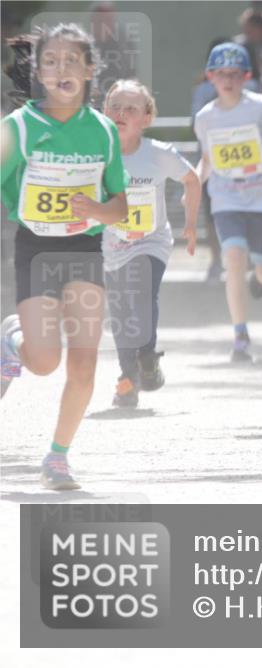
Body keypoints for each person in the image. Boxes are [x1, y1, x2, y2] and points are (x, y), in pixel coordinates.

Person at [1, 23, 130, 490]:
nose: (61, 70)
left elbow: (121, 205)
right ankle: (11, 342)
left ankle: (58, 457)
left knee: (83, 363)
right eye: (51, 62)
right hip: (35, 248)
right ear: (38, 72)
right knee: (43, 362)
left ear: (90, 70)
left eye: (72, 61)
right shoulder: (17, 128)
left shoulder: (102, 131)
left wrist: (97, 209)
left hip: (83, 249)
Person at [102, 79, 201, 408]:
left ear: (146, 118)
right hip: (111, 245)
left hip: (151, 241)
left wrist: (189, 224)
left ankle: (145, 355)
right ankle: (128, 377)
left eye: (130, 108)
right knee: (119, 312)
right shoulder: (97, 154)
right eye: (115, 106)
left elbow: (192, 178)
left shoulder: (158, 154)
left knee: (141, 290)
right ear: (104, 112)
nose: (121, 113)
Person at [193, 42, 262, 363]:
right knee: (233, 256)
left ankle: (260, 280)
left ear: (246, 76)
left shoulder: (260, 108)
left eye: (235, 74)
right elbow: (208, 159)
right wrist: (193, 184)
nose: (228, 80)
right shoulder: (205, 118)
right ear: (210, 77)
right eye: (221, 74)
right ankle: (240, 334)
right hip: (226, 199)